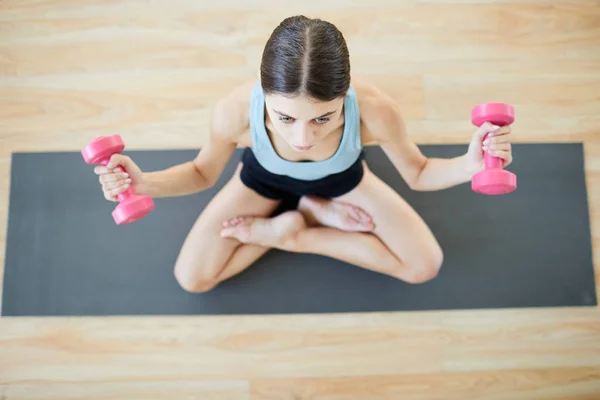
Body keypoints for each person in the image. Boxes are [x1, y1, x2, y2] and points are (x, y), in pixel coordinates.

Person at [93, 16, 513, 293]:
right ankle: (293, 221)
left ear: (344, 95)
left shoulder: (375, 108)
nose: (303, 139)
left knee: (424, 266)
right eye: (285, 118)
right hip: (261, 181)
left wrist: (470, 164)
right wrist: (146, 183)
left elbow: (419, 172)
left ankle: (301, 230)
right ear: (263, 94)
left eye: (322, 119)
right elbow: (203, 173)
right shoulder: (234, 110)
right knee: (192, 278)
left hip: (343, 182)